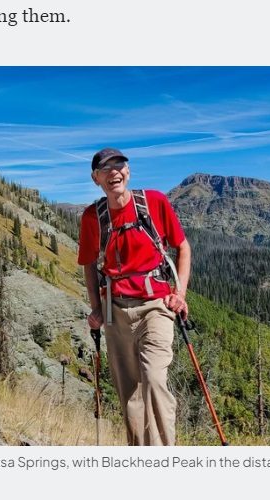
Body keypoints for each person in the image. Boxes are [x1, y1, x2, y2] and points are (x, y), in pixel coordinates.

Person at [77, 147, 191, 446]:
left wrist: (180, 293)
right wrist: (96, 308)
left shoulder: (153, 202)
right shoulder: (93, 217)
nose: (114, 172)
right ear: (96, 178)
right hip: (115, 310)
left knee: (153, 380)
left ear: (128, 171)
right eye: (106, 168)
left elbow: (183, 247)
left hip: (156, 305)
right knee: (129, 393)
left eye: (120, 165)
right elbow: (89, 264)